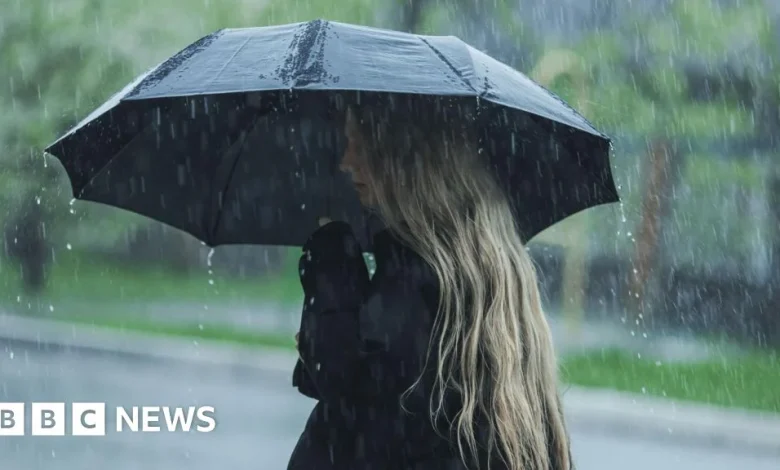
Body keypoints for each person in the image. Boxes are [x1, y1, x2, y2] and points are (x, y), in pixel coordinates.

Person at [287, 98, 573, 470]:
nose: (347, 161)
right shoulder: (477, 265)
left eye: (359, 145)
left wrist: (331, 258)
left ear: (403, 156)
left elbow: (351, 403)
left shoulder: (415, 281)